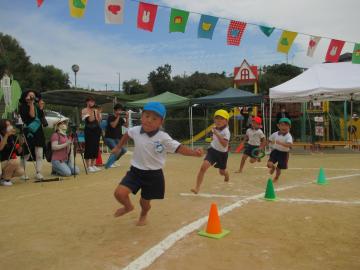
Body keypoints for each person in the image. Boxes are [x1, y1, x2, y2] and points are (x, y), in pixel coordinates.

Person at [111, 102, 203, 226]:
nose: (149, 120)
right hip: (135, 171)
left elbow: (179, 148)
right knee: (119, 193)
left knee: (144, 203)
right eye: (147, 116)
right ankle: (128, 207)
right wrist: (118, 147)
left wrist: (194, 153)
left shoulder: (163, 137)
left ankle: (143, 214)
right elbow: (127, 134)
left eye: (154, 118)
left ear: (161, 122)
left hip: (153, 175)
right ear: (142, 116)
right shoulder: (136, 130)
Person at [191, 109, 230, 194]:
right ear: (214, 120)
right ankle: (197, 188)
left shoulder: (226, 131)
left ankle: (226, 174)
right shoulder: (214, 129)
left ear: (226, 121)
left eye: (221, 119)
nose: (219, 121)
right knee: (203, 167)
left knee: (221, 172)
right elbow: (214, 140)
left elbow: (224, 144)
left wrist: (216, 134)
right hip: (212, 151)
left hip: (222, 154)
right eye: (217, 118)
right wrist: (213, 138)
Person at [18, 90, 47, 180]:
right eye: (29, 95)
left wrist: (41, 108)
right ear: (25, 97)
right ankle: (22, 173)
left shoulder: (36, 106)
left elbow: (41, 118)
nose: (31, 97)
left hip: (38, 131)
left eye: (33, 96)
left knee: (39, 153)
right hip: (28, 131)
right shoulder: (22, 107)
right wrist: (31, 104)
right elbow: (32, 116)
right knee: (26, 153)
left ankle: (38, 172)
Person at [267, 118, 293, 182]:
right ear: (278, 126)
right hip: (275, 151)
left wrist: (281, 143)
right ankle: (273, 167)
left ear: (289, 127)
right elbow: (268, 140)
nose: (284, 127)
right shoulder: (275, 134)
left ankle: (276, 177)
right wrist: (261, 148)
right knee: (269, 164)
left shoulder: (288, 136)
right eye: (282, 125)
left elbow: (289, 145)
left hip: (284, 154)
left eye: (286, 125)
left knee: (279, 168)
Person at [0, 119, 24, 186]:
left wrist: (21, 144)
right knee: (15, 161)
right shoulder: (1, 135)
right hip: (1, 161)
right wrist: (7, 135)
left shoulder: (13, 137)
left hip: (8, 161)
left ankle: (2, 178)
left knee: (21, 171)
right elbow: (0, 148)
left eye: (10, 125)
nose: (10, 127)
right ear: (2, 127)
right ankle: (6, 180)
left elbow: (18, 152)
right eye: (7, 125)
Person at [104, 104, 128, 168]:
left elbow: (126, 125)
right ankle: (109, 164)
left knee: (124, 150)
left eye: (121, 110)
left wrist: (127, 118)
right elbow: (113, 125)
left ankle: (113, 161)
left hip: (117, 138)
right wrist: (118, 116)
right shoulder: (110, 117)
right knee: (117, 150)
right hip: (109, 138)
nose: (120, 111)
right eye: (119, 110)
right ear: (115, 110)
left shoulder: (120, 118)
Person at [81, 96, 102, 173]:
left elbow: (98, 121)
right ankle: (88, 166)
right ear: (87, 102)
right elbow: (90, 120)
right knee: (89, 146)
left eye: (93, 101)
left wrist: (99, 113)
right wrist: (91, 111)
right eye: (90, 101)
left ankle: (93, 165)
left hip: (96, 129)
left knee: (95, 146)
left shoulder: (95, 110)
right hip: (89, 130)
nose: (92, 103)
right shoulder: (84, 110)